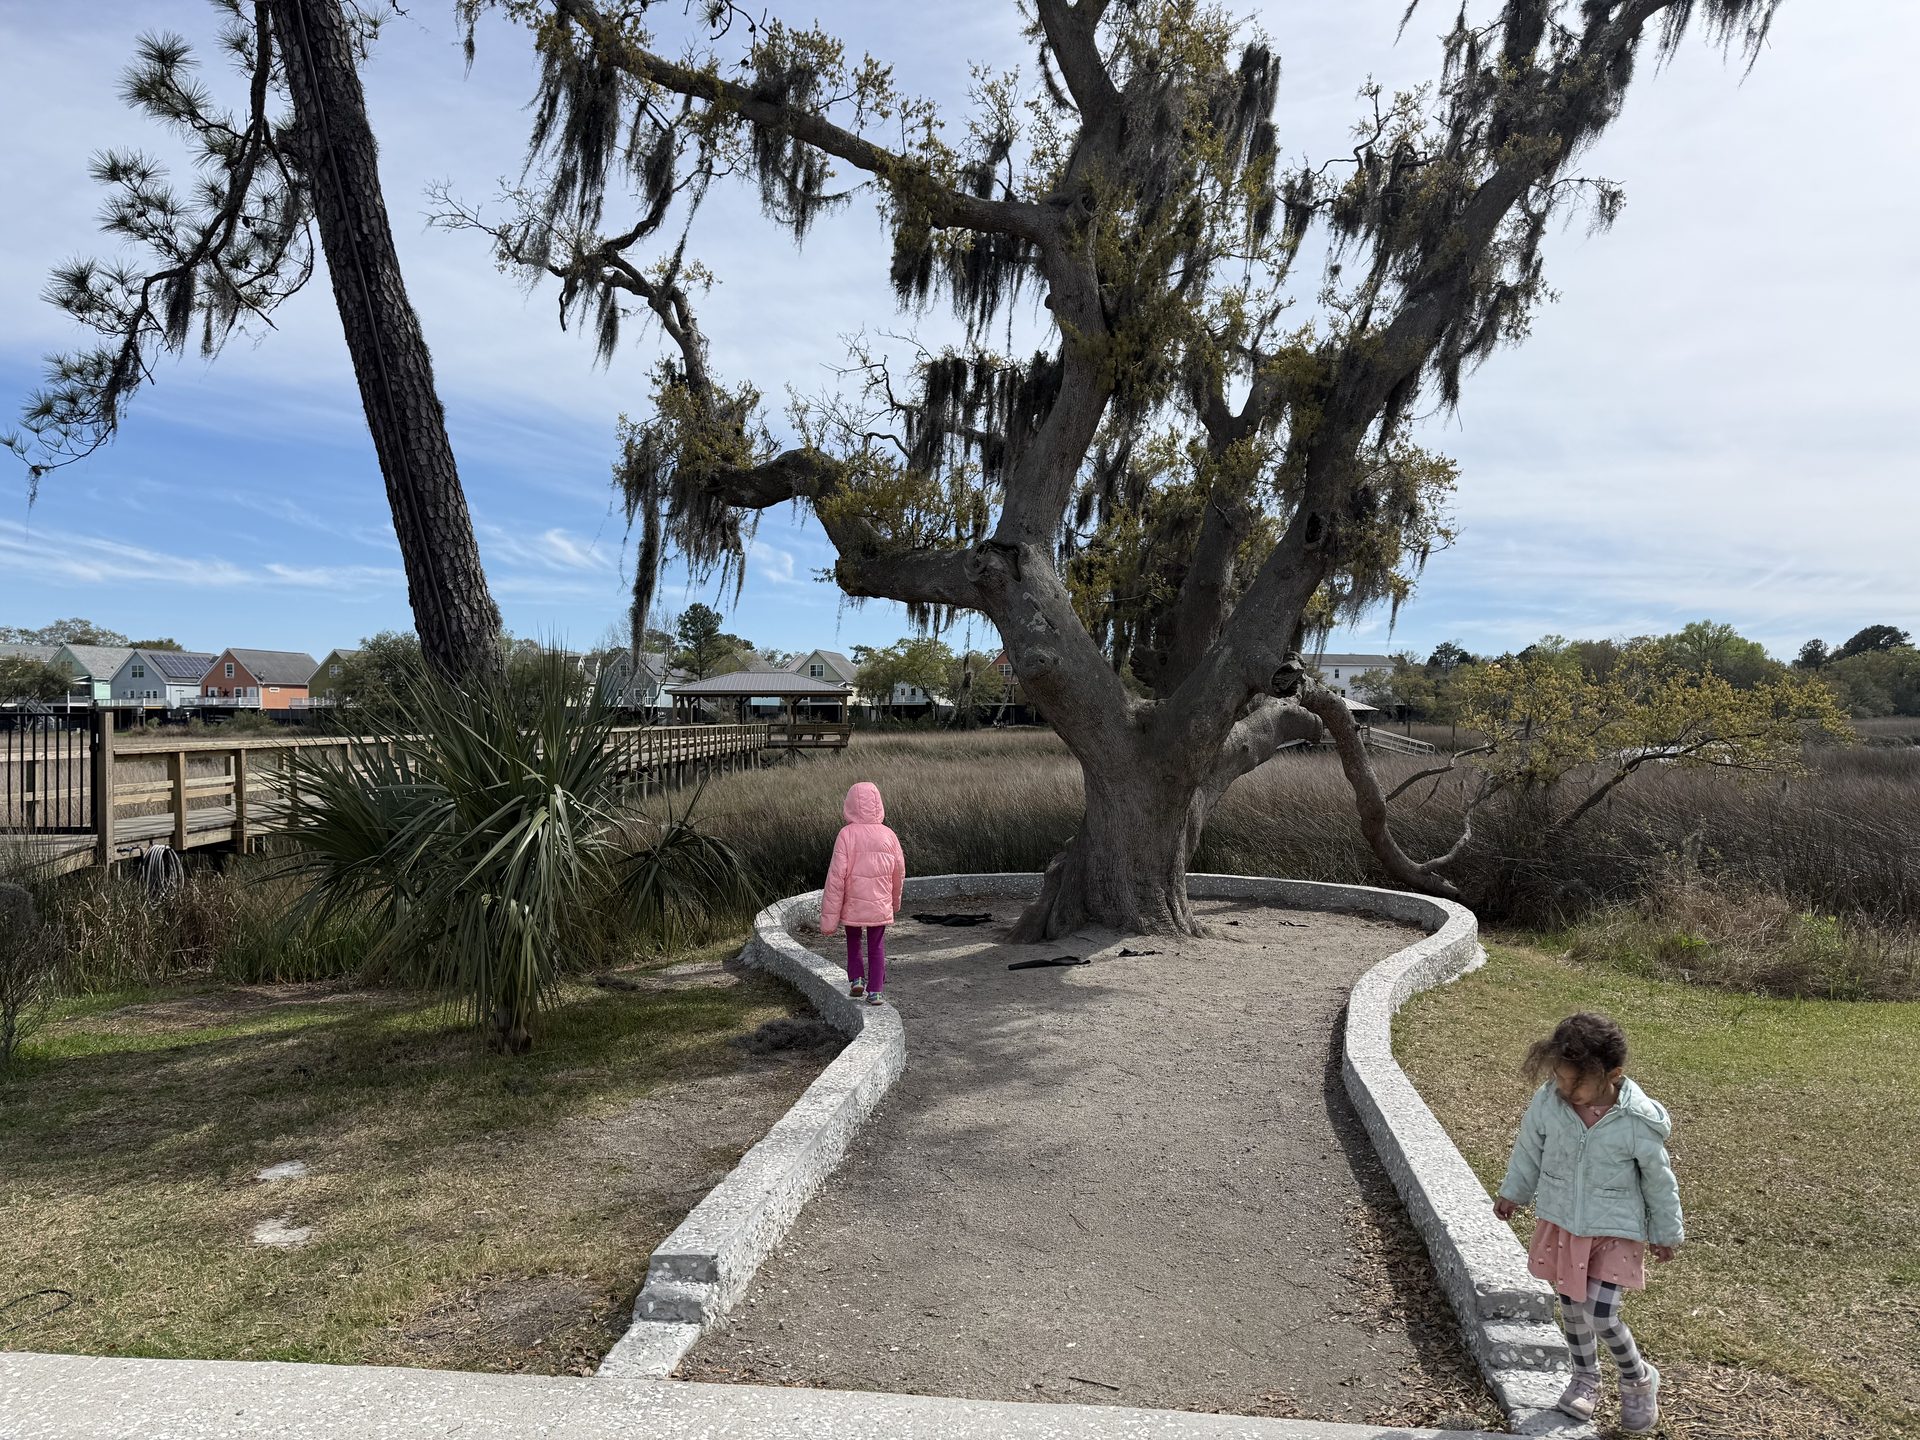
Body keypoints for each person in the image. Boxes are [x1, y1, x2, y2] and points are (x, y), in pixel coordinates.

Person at [1493, 1012, 1684, 1433]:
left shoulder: (1637, 1120)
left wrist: (1665, 1231)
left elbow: (1658, 1179)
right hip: (1563, 1222)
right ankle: (1584, 1379)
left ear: (1612, 1075)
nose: (1565, 1089)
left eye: (1575, 1083)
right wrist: (1514, 1193)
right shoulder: (1549, 1104)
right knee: (1573, 1310)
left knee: (1600, 1311)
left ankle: (1637, 1379)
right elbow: (1529, 1149)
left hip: (1616, 1229)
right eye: (1559, 1078)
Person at [819, 781, 906, 1006]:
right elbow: (899, 873)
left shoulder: (846, 835)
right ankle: (876, 990)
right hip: (879, 902)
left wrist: (828, 919)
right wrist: (894, 902)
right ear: (878, 805)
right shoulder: (889, 835)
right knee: (876, 944)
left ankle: (857, 979)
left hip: (853, 902)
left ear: (849, 805)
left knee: (853, 939)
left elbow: (836, 876)